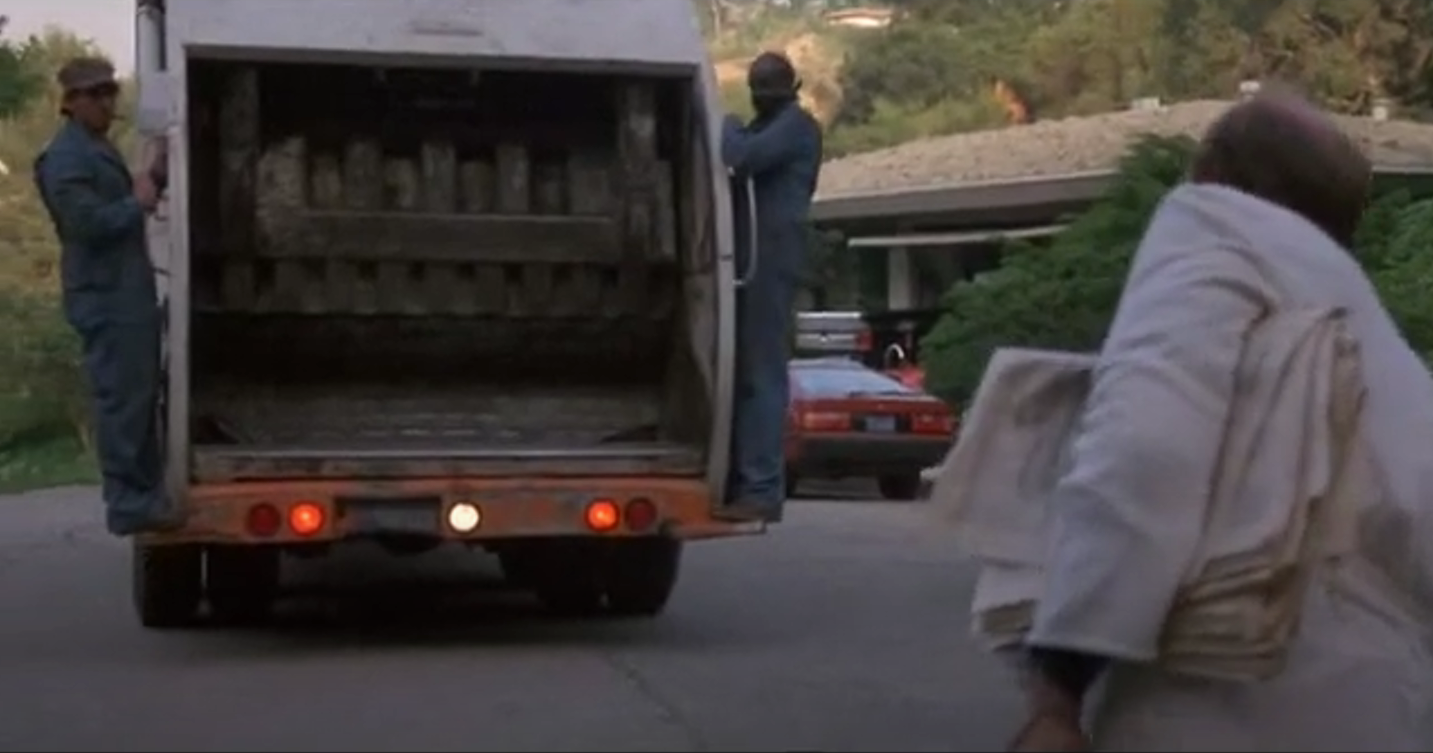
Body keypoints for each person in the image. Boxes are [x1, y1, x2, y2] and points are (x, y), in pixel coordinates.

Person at [1011, 90, 1433, 751]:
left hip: (1236, 698)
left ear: (1208, 172)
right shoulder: (1371, 333)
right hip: (1388, 701)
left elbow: (1146, 452)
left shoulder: (1213, 227)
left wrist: (1059, 687)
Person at [33, 57, 181, 536]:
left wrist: (156, 174)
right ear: (71, 102)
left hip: (124, 292)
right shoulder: (65, 157)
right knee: (122, 400)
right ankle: (130, 503)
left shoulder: (95, 147)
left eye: (109, 91)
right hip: (106, 298)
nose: (105, 102)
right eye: (95, 94)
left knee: (139, 395)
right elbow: (86, 224)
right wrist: (136, 203)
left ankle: (146, 494)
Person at [716, 51, 823, 523]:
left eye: (767, 90)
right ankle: (740, 479)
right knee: (741, 376)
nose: (763, 97)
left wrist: (726, 123)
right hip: (746, 262)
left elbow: (741, 158)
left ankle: (761, 488)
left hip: (769, 261)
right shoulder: (765, 127)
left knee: (761, 376)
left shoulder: (795, 126)